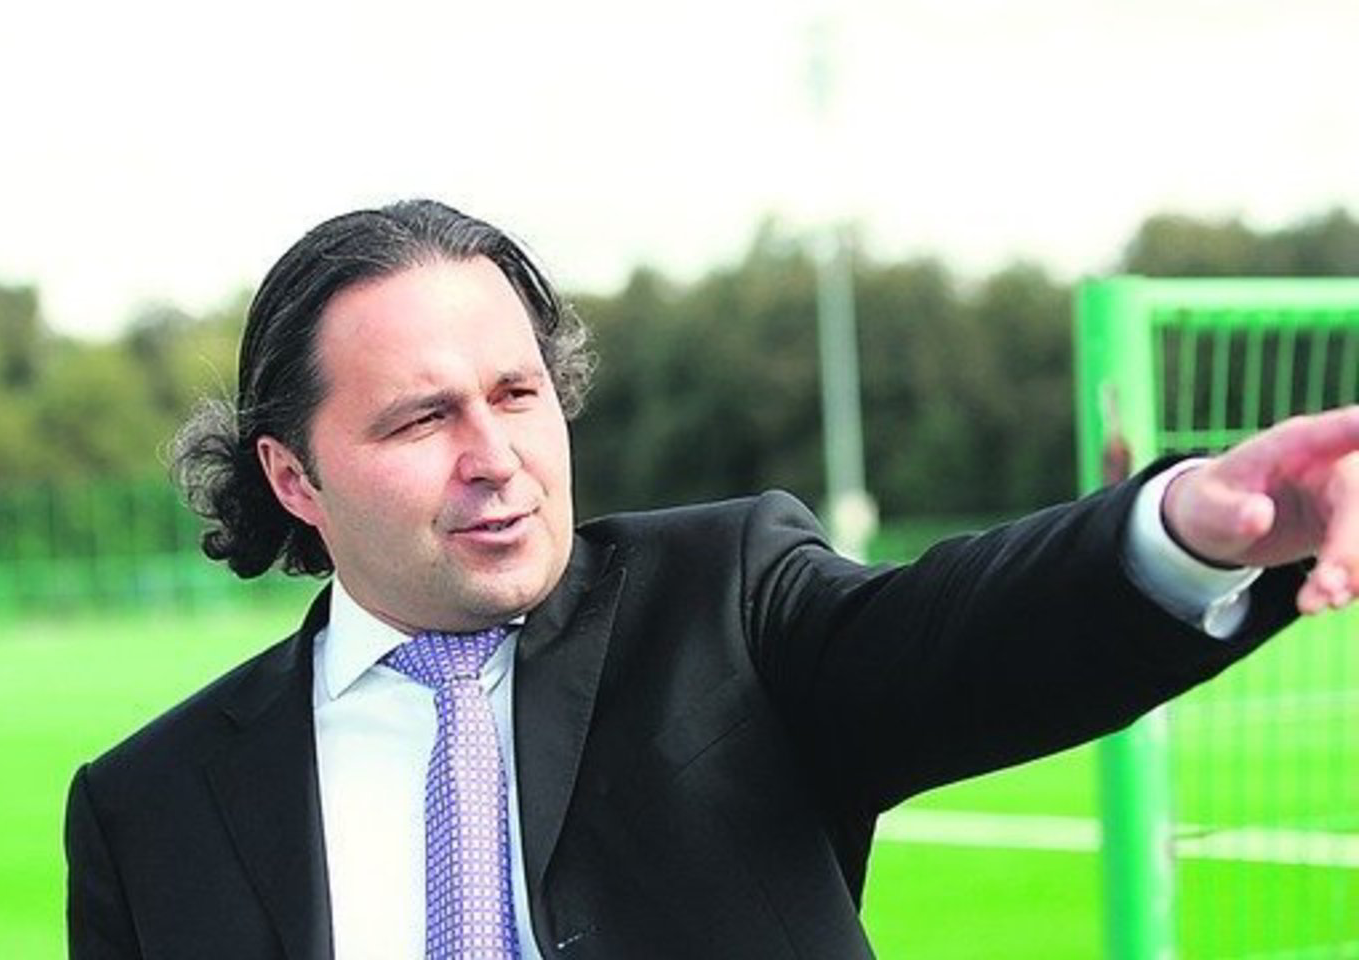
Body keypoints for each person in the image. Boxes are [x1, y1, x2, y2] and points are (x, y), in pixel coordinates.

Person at [65, 200, 1359, 960]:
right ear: (294, 477)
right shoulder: (150, 808)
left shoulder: (726, 608)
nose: (494, 457)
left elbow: (968, 633)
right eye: (421, 419)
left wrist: (1194, 527)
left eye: (517, 394)